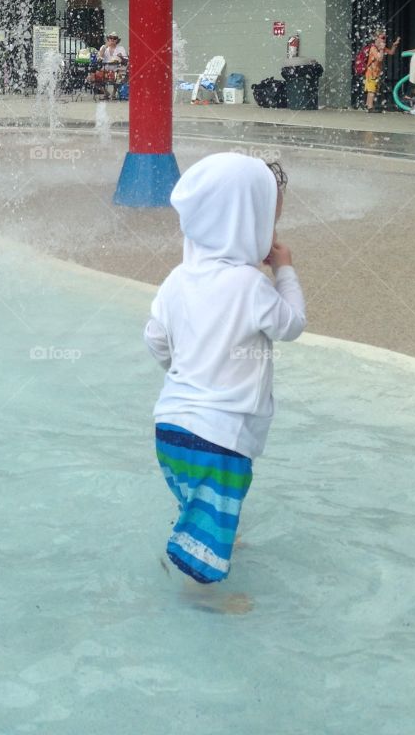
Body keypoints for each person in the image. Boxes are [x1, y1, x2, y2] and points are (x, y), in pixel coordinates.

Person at [144, 153, 306, 602]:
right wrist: (285, 271)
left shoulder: (177, 279)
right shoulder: (250, 286)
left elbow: (155, 340)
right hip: (222, 438)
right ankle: (201, 603)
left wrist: (190, 375)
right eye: (266, 223)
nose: (270, 237)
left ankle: (202, 546)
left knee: (198, 508)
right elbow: (291, 324)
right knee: (204, 551)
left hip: (171, 428)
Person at [362, 29, 400, 112]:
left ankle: (368, 105)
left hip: (375, 73)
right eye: (382, 37)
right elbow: (380, 58)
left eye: (385, 37)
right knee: (372, 90)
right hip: (371, 73)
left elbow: (391, 52)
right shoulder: (373, 48)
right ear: (376, 38)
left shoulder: (380, 48)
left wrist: (394, 45)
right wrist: (382, 49)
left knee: (371, 90)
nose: (384, 39)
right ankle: (370, 107)